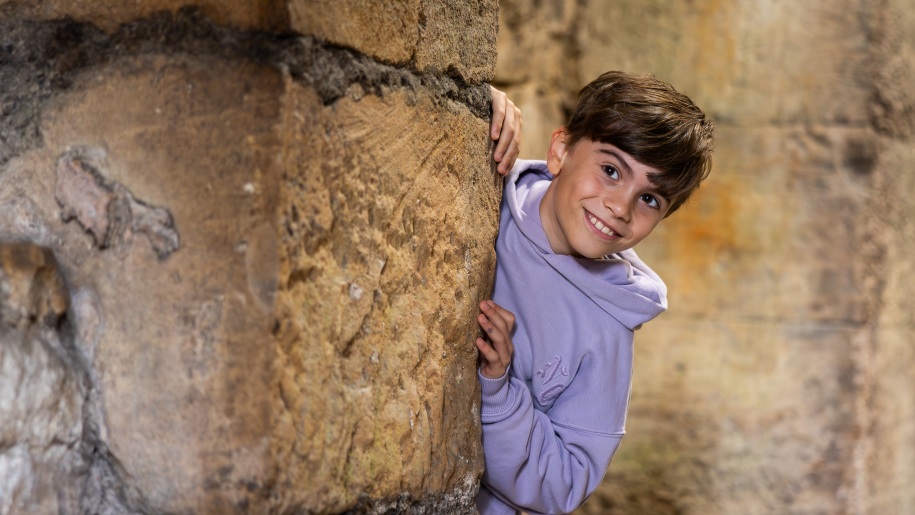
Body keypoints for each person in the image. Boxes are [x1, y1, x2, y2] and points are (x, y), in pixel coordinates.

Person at [476, 71, 715, 514]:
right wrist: (479, 103)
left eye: (650, 200)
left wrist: (499, 391)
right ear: (560, 150)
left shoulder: (610, 326)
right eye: (610, 171)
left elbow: (563, 485)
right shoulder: (484, 184)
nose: (620, 208)